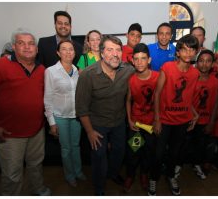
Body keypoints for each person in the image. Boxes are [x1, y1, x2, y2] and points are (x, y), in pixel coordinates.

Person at [0, 28, 50, 196]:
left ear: (37, 48)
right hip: (10, 134)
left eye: (31, 43)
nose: (27, 47)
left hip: (36, 131)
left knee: (36, 165)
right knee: (12, 174)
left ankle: (38, 190)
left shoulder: (42, 70)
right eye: (21, 43)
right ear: (14, 46)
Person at [75, 35, 135, 196]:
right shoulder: (88, 75)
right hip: (97, 124)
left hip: (119, 122)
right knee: (99, 156)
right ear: (101, 53)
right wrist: (89, 131)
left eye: (118, 50)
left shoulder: (127, 70)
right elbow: (81, 107)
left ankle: (113, 174)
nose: (115, 54)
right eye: (110, 50)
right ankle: (99, 186)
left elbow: (144, 76)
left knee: (119, 152)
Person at [148, 34, 199, 196]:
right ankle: (153, 179)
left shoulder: (195, 73)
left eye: (192, 50)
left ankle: (171, 176)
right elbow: (157, 94)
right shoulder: (167, 67)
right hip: (164, 120)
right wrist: (156, 119)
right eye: (184, 49)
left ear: (196, 52)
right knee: (158, 153)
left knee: (175, 153)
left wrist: (194, 114)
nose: (188, 53)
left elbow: (188, 97)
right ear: (178, 52)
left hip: (183, 121)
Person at [44, 40, 86, 188]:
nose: (68, 52)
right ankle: (69, 175)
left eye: (71, 49)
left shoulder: (77, 71)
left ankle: (78, 171)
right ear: (58, 52)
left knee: (76, 146)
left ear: (75, 53)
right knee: (66, 148)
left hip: (76, 116)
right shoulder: (50, 71)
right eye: (64, 49)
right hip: (60, 116)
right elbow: (47, 99)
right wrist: (52, 122)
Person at [123, 43, 158, 192]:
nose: (139, 62)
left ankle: (144, 174)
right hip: (136, 124)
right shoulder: (131, 79)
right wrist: (130, 120)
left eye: (143, 58)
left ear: (149, 60)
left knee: (148, 152)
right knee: (133, 152)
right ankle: (130, 175)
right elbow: (128, 100)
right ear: (132, 61)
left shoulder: (158, 77)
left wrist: (158, 120)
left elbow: (163, 100)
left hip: (152, 125)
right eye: (136, 59)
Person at [189, 49, 218, 179]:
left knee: (200, 146)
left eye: (208, 61)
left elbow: (216, 102)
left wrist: (211, 121)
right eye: (201, 60)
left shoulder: (215, 81)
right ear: (197, 62)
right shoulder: (191, 77)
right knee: (183, 145)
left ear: (213, 64)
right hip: (190, 120)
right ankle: (177, 167)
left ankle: (196, 164)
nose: (204, 64)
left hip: (205, 120)